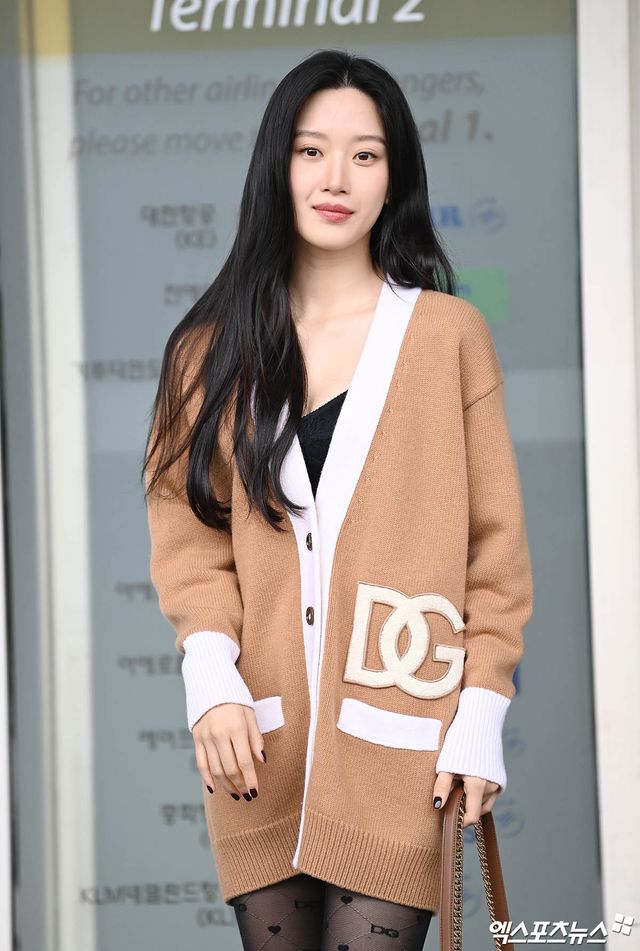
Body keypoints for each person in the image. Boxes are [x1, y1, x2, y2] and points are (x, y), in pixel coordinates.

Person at [142, 48, 534, 951]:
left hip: (403, 741)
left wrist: (481, 708)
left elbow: (496, 550)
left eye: (366, 154)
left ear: (395, 176)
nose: (336, 179)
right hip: (258, 745)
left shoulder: (447, 337)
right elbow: (189, 534)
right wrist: (210, 673)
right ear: (276, 165)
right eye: (312, 151)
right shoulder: (207, 352)